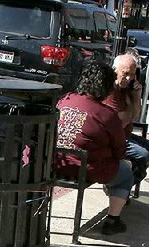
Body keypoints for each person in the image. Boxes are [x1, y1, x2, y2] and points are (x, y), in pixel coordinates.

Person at [56, 61, 134, 236]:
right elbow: (120, 150)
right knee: (125, 174)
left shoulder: (65, 101)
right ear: (107, 87)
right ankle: (113, 220)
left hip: (56, 163)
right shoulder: (107, 115)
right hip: (88, 168)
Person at [105, 53, 149, 185]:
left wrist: (137, 95)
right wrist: (130, 104)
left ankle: (124, 184)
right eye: (125, 73)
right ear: (115, 71)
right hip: (114, 138)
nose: (129, 78)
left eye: (133, 74)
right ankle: (120, 186)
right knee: (143, 155)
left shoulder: (127, 89)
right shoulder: (111, 90)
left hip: (126, 134)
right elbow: (122, 121)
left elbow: (134, 116)